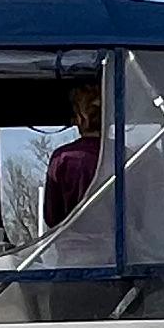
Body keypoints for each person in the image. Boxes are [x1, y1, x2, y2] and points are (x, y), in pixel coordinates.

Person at [41, 75, 107, 235]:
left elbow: (52, 217)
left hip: (73, 252)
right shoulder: (128, 157)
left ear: (78, 118)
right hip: (120, 251)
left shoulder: (62, 158)